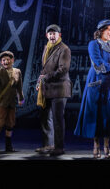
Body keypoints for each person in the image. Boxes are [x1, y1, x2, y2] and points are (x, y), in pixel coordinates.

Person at [75, 19, 110, 158]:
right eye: (109, 30)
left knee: (108, 115)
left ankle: (106, 146)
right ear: (101, 30)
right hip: (96, 82)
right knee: (96, 114)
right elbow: (98, 63)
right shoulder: (94, 44)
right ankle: (96, 146)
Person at [36, 24, 72, 157]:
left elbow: (63, 69)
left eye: (54, 33)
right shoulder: (47, 47)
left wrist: (46, 77)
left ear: (59, 35)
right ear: (47, 35)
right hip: (47, 87)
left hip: (59, 88)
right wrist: (41, 81)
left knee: (57, 120)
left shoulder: (64, 49)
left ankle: (59, 147)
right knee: (45, 118)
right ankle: (48, 145)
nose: (52, 36)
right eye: (50, 33)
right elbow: (45, 68)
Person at [0, 51, 24, 154]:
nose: (6, 62)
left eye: (8, 60)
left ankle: (8, 147)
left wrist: (21, 98)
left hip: (12, 102)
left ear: (12, 60)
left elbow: (19, 87)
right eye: (3, 60)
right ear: (1, 62)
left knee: (10, 123)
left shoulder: (17, 71)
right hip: (1, 102)